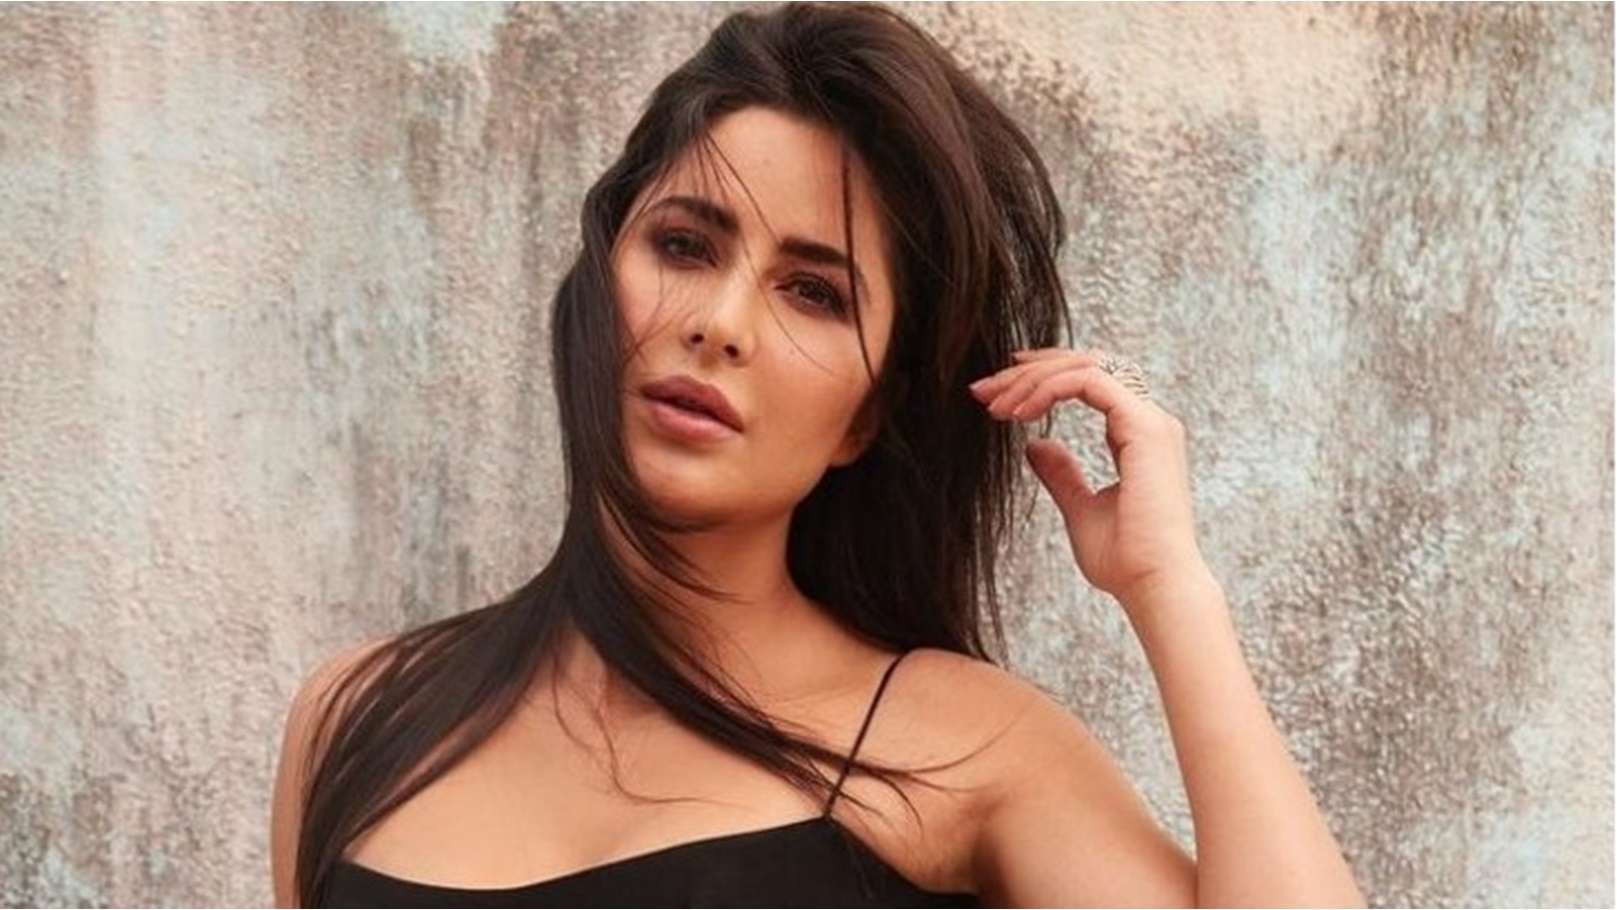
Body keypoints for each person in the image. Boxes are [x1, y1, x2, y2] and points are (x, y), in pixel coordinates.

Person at [271, 3, 1364, 906]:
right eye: (684, 245)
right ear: (599, 280)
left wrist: (1170, 587)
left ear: (865, 418)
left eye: (813, 293)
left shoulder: (965, 745)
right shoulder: (363, 714)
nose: (721, 323)